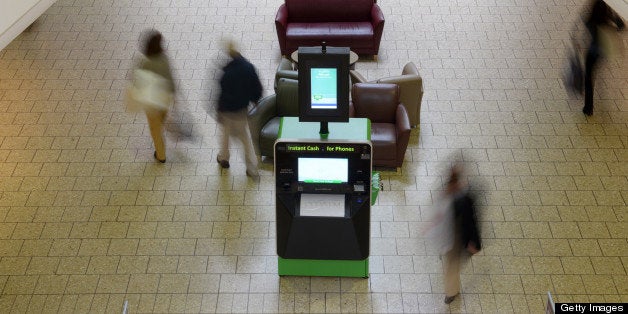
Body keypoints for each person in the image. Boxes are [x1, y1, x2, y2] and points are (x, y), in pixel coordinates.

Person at [216, 41, 262, 177]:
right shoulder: (249, 67)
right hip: (241, 110)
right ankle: (251, 168)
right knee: (244, 138)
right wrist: (255, 100)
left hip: (226, 111)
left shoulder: (226, 72)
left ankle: (224, 158)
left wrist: (219, 110)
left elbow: (222, 93)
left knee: (225, 135)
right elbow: (256, 87)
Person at [437, 165, 481, 304]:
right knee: (451, 264)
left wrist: (474, 242)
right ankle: (452, 290)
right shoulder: (448, 194)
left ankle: (452, 292)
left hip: (458, 238)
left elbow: (472, 222)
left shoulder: (465, 200)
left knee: (452, 266)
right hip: (448, 235)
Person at [138, 31, 175, 162]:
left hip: (152, 101)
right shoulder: (164, 58)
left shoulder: (145, 62)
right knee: (161, 121)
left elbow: (138, 82)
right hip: (165, 98)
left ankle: (161, 156)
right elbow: (171, 78)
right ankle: (163, 129)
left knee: (155, 129)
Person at [582, 0, 624, 116]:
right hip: (603, 50)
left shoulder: (595, 9)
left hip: (593, 49)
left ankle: (588, 107)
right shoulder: (608, 10)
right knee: (592, 72)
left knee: (588, 76)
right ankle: (589, 106)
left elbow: (587, 23)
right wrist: (609, 28)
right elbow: (621, 25)